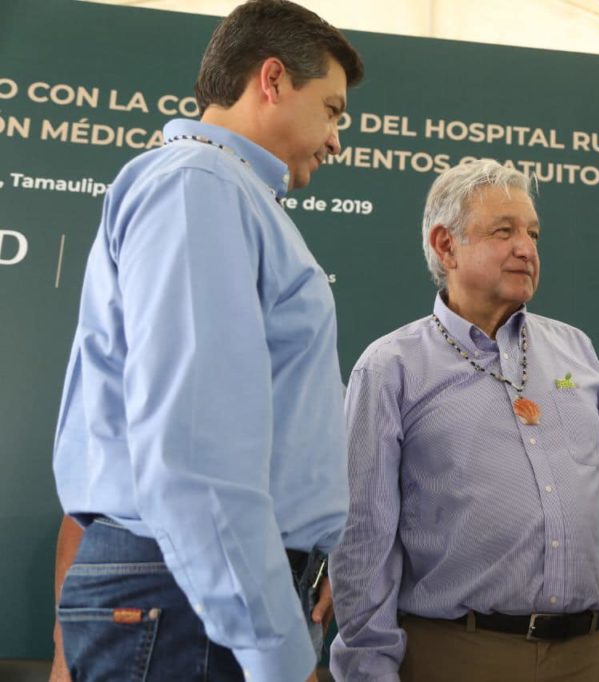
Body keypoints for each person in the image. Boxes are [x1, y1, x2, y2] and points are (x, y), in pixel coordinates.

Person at [49, 2, 363, 680]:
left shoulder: (220, 189)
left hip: (193, 593)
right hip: (187, 600)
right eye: (332, 110)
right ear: (272, 80)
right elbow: (196, 449)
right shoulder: (200, 184)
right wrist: (275, 652)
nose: (337, 140)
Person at [329, 159, 599, 682]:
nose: (526, 248)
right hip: (462, 655)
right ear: (446, 246)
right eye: (504, 231)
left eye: (533, 233)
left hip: (597, 652)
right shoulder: (391, 367)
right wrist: (368, 671)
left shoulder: (576, 349)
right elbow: (364, 542)